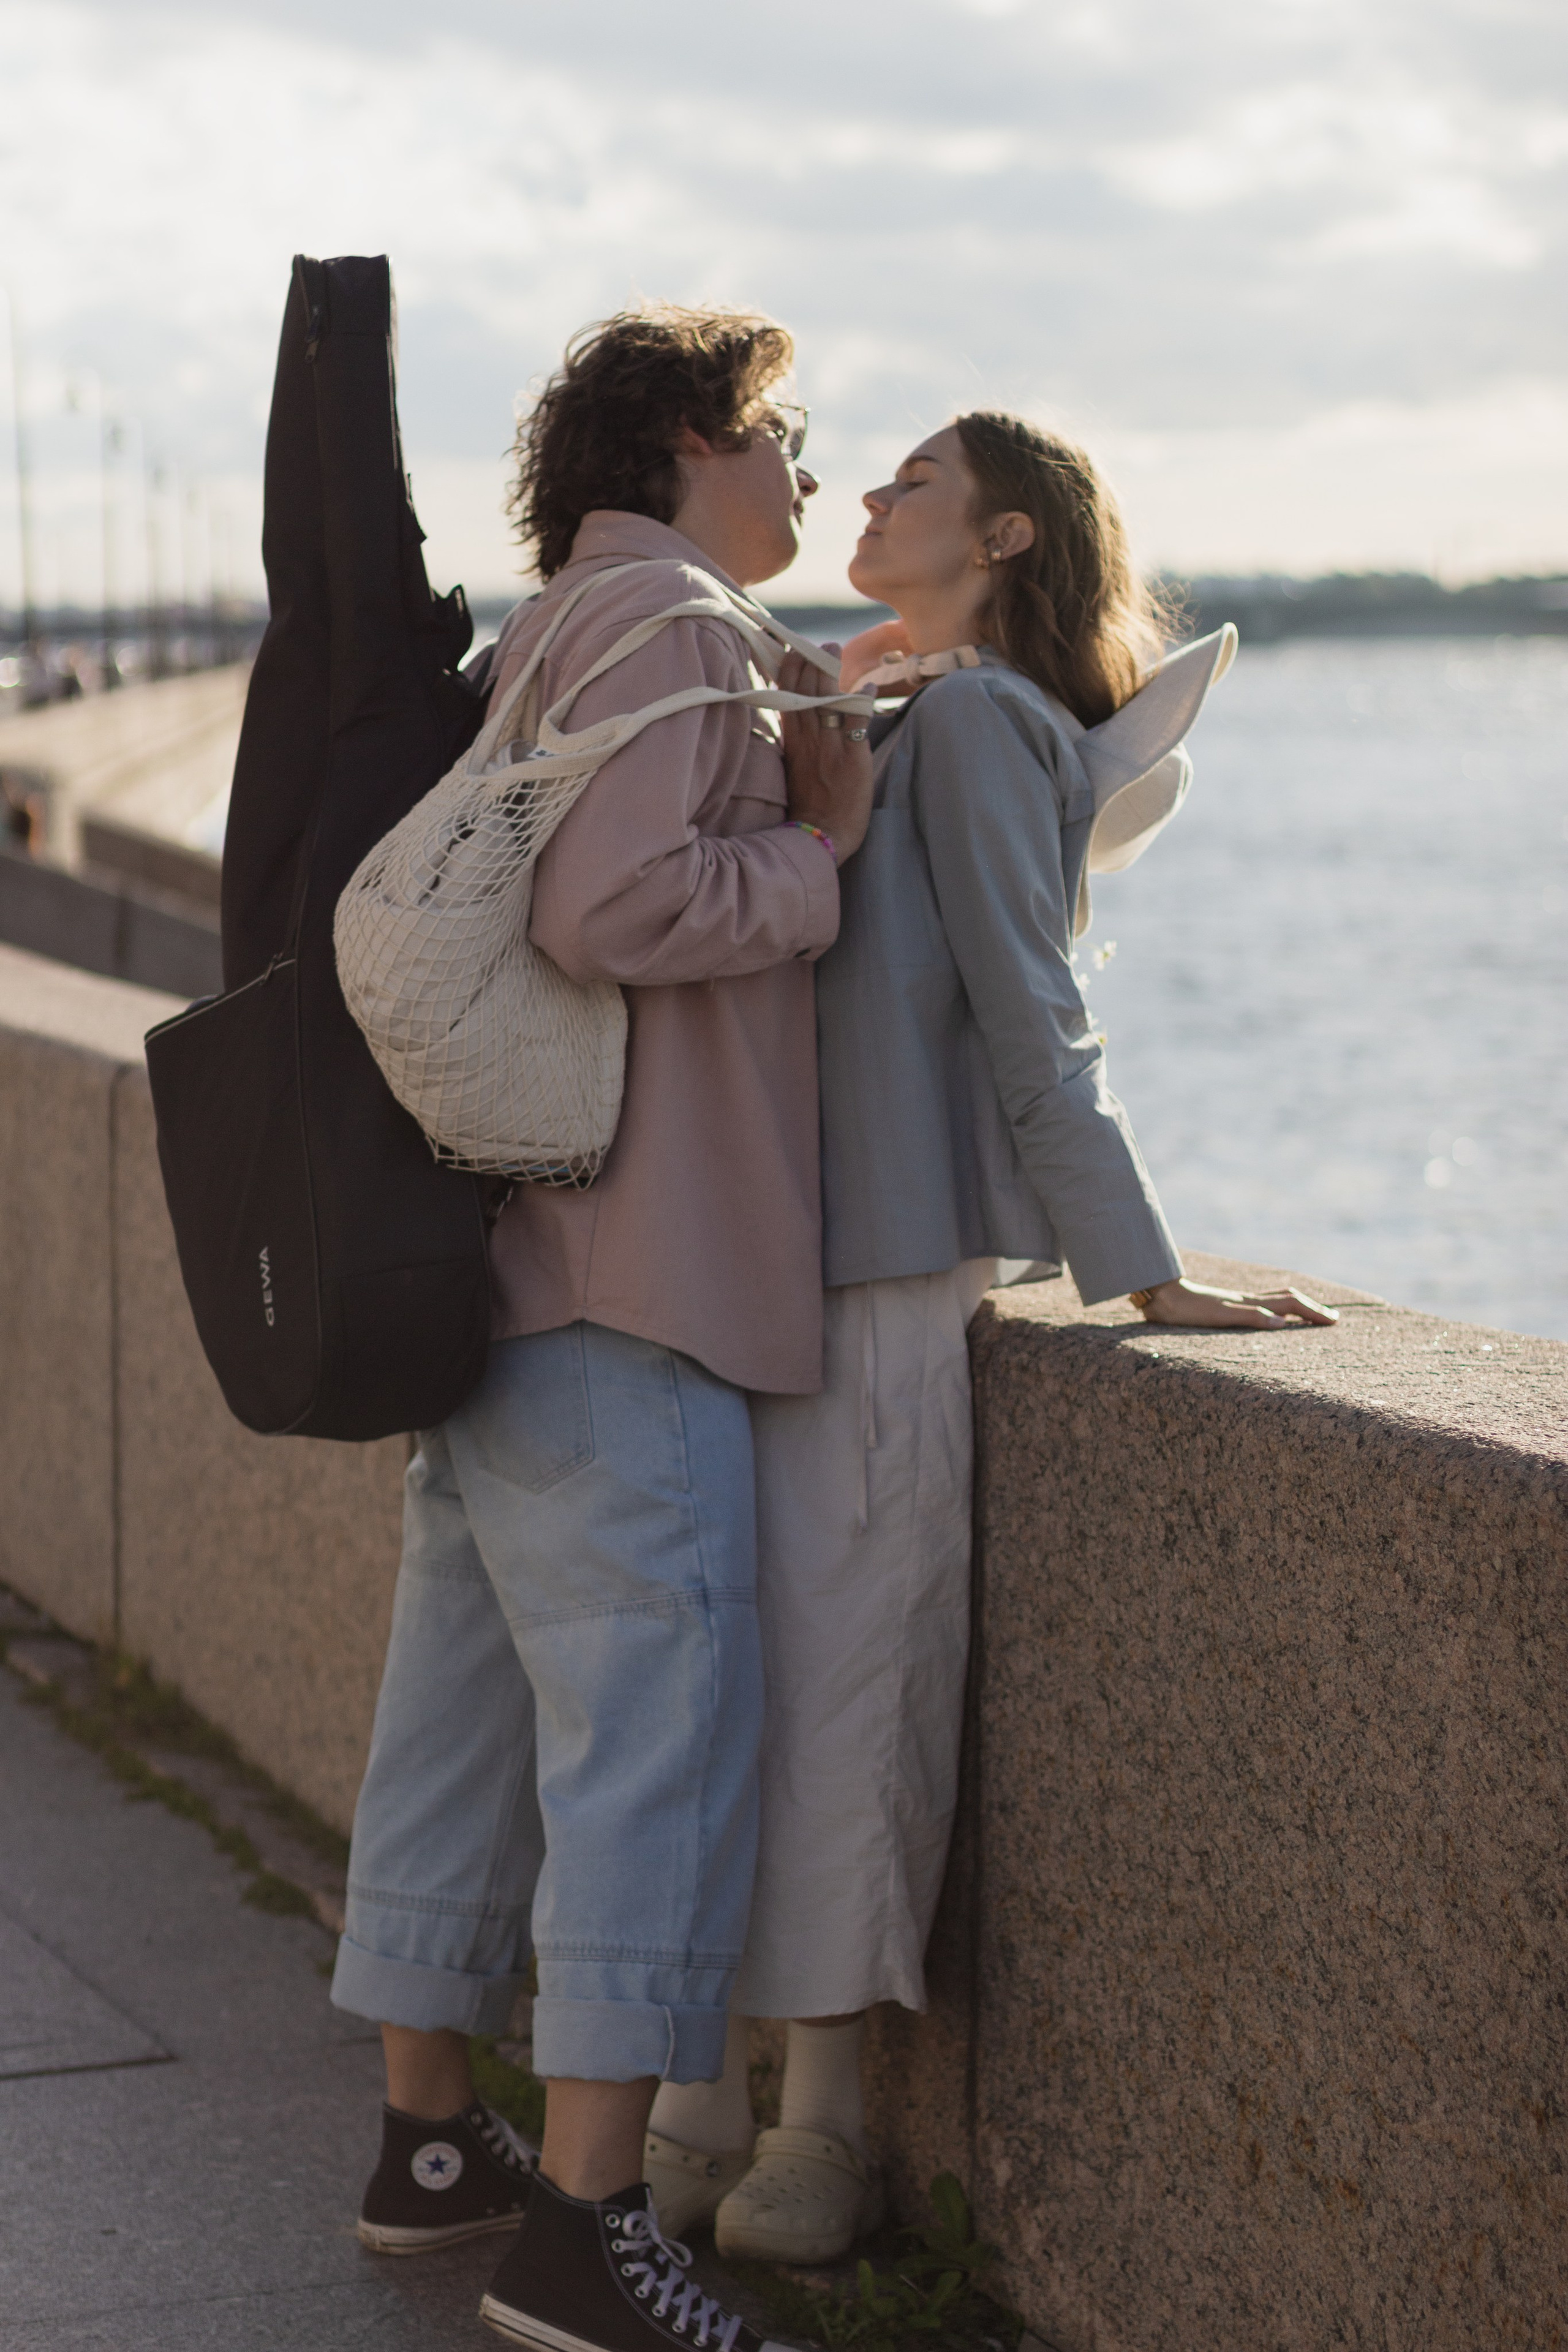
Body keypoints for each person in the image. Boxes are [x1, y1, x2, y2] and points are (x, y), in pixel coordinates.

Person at [644, 411, 1336, 2261]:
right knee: (749, 1676)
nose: (863, 501)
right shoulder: (895, 710)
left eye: (911, 486)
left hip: (877, 1262)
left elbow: (1039, 1011)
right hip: (775, 1251)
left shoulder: (980, 727)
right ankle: (702, 2096)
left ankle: (823, 2123)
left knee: (845, 1678)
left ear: (1010, 537)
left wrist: (1143, 1267)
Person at [331, 304, 872, 2352]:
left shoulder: (555, 627)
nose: (808, 473)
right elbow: (609, 916)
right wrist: (817, 852)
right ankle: (585, 2234)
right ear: (679, 441)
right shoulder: (670, 624)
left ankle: (427, 2150)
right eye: (784, 433)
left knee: (457, 1736)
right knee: (657, 1752)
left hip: (502, 1293)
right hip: (638, 1283)